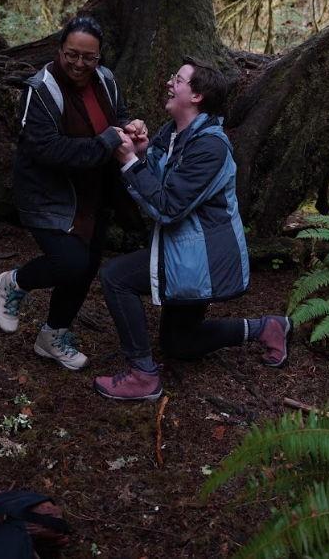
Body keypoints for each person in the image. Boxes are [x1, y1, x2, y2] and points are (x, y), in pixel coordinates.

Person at [93, 60, 292, 401]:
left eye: (178, 79)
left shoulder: (211, 147)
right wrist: (141, 152)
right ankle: (266, 327)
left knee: (116, 277)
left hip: (202, 257)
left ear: (197, 95)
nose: (170, 83)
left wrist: (128, 161)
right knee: (179, 343)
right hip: (185, 251)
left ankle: (143, 375)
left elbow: (168, 207)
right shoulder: (173, 133)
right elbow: (157, 175)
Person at [0, 15, 147, 370]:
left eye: (88, 57)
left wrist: (129, 127)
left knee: (87, 266)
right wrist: (107, 140)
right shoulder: (41, 91)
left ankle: (53, 335)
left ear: (99, 57)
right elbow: (48, 151)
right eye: (72, 55)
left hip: (95, 193)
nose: (79, 64)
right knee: (71, 261)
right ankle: (15, 282)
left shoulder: (105, 81)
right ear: (60, 50)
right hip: (48, 196)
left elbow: (117, 116)